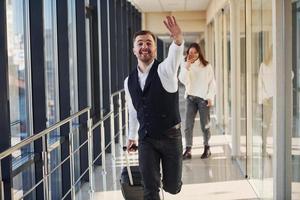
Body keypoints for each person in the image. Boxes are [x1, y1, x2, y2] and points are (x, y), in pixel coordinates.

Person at [124, 16, 184, 200]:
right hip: (146, 140)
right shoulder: (129, 81)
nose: (144, 47)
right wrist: (132, 136)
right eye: (140, 43)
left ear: (155, 48)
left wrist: (178, 40)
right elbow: (134, 111)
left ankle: (170, 182)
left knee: (173, 187)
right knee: (150, 188)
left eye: (149, 43)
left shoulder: (165, 70)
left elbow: (175, 56)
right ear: (134, 50)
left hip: (170, 137)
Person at [178, 43, 216, 159]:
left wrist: (210, 97)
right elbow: (182, 80)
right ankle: (188, 150)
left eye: (195, 52)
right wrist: (187, 66)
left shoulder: (206, 66)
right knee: (188, 125)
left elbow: (212, 83)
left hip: (203, 99)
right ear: (187, 53)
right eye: (190, 52)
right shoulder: (186, 65)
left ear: (199, 53)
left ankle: (207, 148)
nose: (192, 54)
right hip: (190, 98)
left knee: (205, 125)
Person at [258, 47, 273, 157]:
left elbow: (290, 75)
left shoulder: (280, 63)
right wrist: (263, 98)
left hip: (277, 98)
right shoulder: (264, 65)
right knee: (266, 124)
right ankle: (264, 147)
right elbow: (260, 83)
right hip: (268, 99)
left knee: (275, 124)